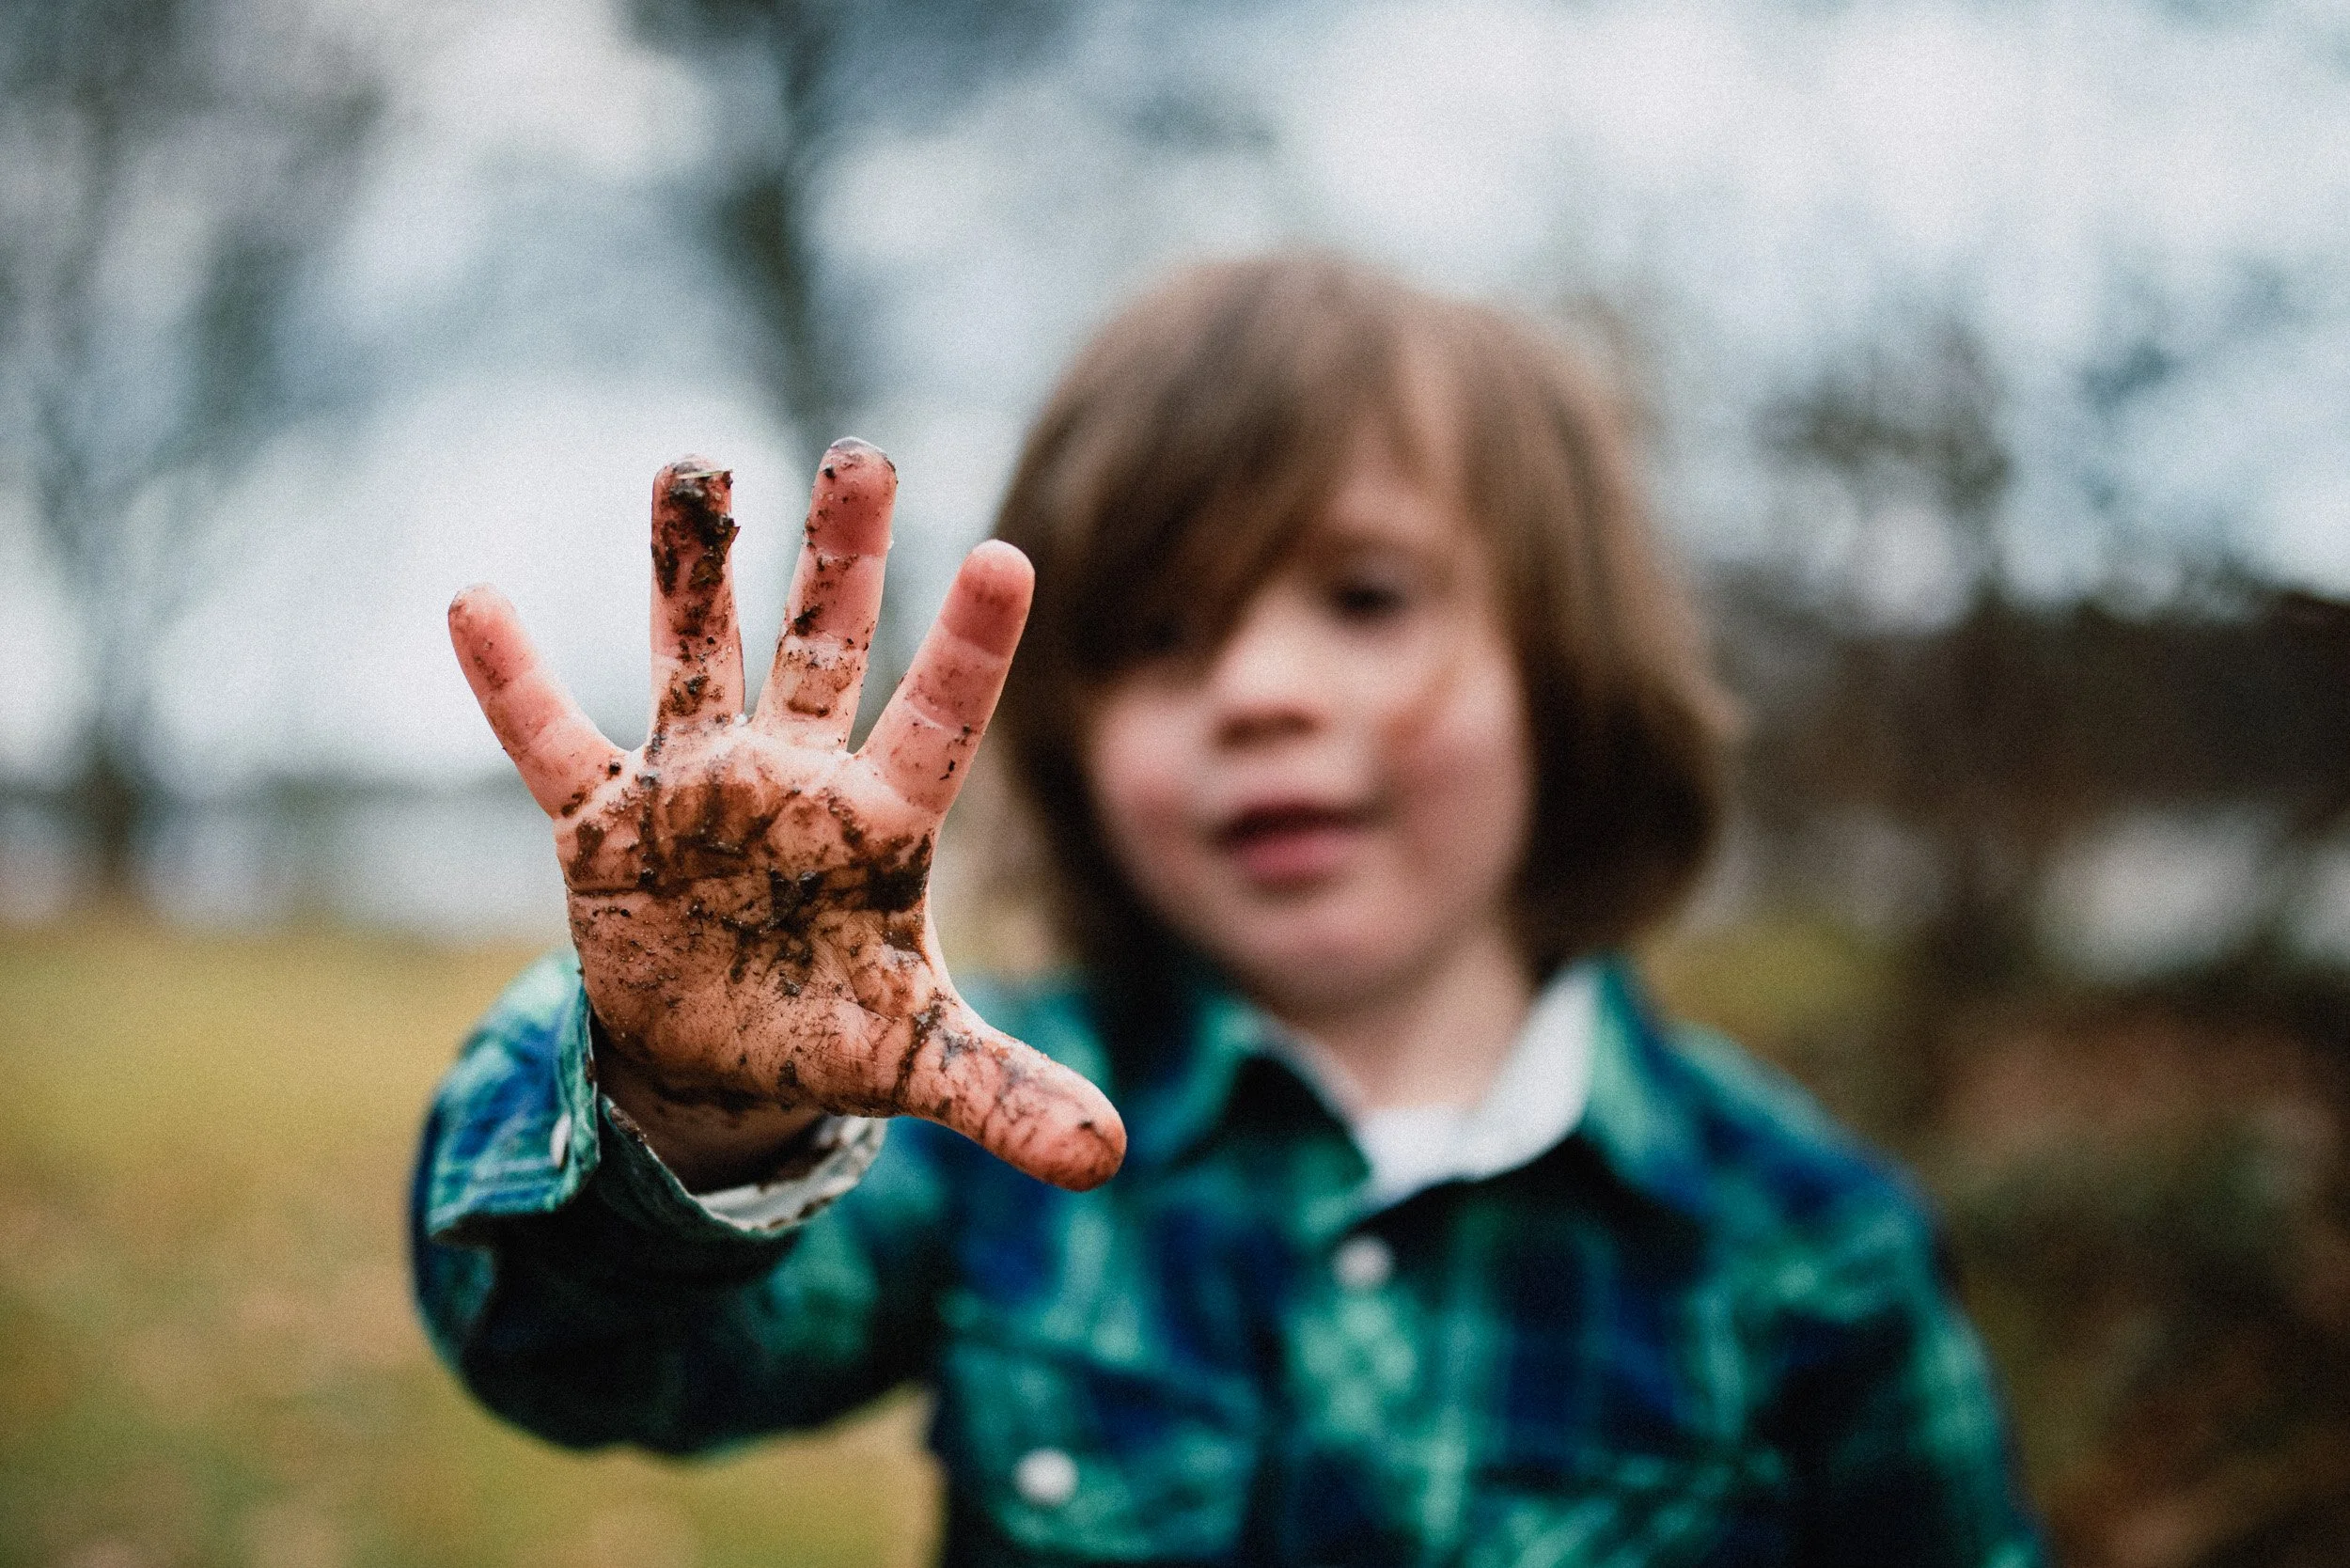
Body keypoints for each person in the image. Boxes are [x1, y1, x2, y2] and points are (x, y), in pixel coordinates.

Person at [411, 255, 2044, 1566]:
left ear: (1563, 667)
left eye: (1366, 597)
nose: (1258, 689)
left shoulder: (1812, 1254)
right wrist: (688, 1109)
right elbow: (572, 1357)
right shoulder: (991, 1140)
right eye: (1166, 631)